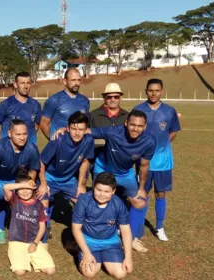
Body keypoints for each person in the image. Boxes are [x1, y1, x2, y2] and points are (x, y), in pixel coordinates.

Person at [90, 110, 156, 253]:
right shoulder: (113, 132)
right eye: (132, 124)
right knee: (99, 200)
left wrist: (141, 188)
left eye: (139, 126)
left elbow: (144, 165)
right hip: (104, 168)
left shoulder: (149, 141)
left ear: (145, 127)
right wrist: (65, 129)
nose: (135, 128)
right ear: (126, 123)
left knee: (139, 201)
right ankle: (95, 236)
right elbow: (88, 131)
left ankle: (130, 238)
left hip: (125, 173)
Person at [133, 79, 181, 243]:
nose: (154, 93)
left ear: (162, 91)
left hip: (163, 162)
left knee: (160, 193)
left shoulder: (169, 111)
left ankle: (159, 227)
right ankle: (138, 229)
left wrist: (160, 147)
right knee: (142, 193)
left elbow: (173, 131)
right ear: (146, 91)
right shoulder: (138, 109)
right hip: (142, 161)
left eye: (157, 90)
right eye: (151, 90)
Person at [0, 119, 40, 245]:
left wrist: (28, 187)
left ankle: (2, 229)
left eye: (24, 134)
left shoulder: (31, 149)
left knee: (13, 206)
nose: (22, 138)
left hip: (15, 182)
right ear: (9, 133)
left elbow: (33, 171)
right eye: (18, 134)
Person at [38, 112, 94, 242]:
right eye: (74, 129)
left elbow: (85, 161)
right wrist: (43, 184)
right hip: (50, 177)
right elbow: (41, 162)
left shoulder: (89, 140)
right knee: (43, 199)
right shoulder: (58, 139)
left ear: (86, 131)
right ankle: (44, 231)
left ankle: (80, 232)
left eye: (81, 129)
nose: (77, 133)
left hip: (69, 179)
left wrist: (81, 184)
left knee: (84, 202)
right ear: (68, 128)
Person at [72, 172, 133, 279]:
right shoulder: (83, 201)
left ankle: (105, 257)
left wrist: (128, 257)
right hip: (89, 241)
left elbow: (126, 231)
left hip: (110, 242)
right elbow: (76, 228)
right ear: (93, 187)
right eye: (98, 190)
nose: (102, 194)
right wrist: (86, 253)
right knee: (89, 273)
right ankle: (83, 251)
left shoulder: (118, 204)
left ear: (113, 191)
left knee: (121, 273)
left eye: (106, 191)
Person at [3, 172, 55, 276]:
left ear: (33, 189)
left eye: (28, 188)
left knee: (50, 270)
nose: (25, 191)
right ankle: (24, 258)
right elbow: (6, 187)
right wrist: (26, 185)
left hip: (33, 241)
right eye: (22, 189)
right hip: (16, 241)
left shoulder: (38, 204)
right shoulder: (14, 200)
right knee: (20, 272)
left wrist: (35, 243)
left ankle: (32, 257)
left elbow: (42, 227)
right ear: (17, 191)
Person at [0, 71, 42, 144]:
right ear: (15, 85)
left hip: (30, 151)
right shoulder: (6, 104)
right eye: (22, 83)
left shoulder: (36, 105)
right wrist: (5, 143)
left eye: (28, 83)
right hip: (9, 152)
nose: (26, 86)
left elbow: (36, 126)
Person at [40, 67, 90, 140]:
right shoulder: (54, 100)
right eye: (73, 80)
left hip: (79, 146)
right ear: (65, 81)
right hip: (61, 145)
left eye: (78, 80)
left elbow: (85, 124)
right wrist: (53, 140)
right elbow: (43, 123)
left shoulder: (85, 100)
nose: (76, 83)